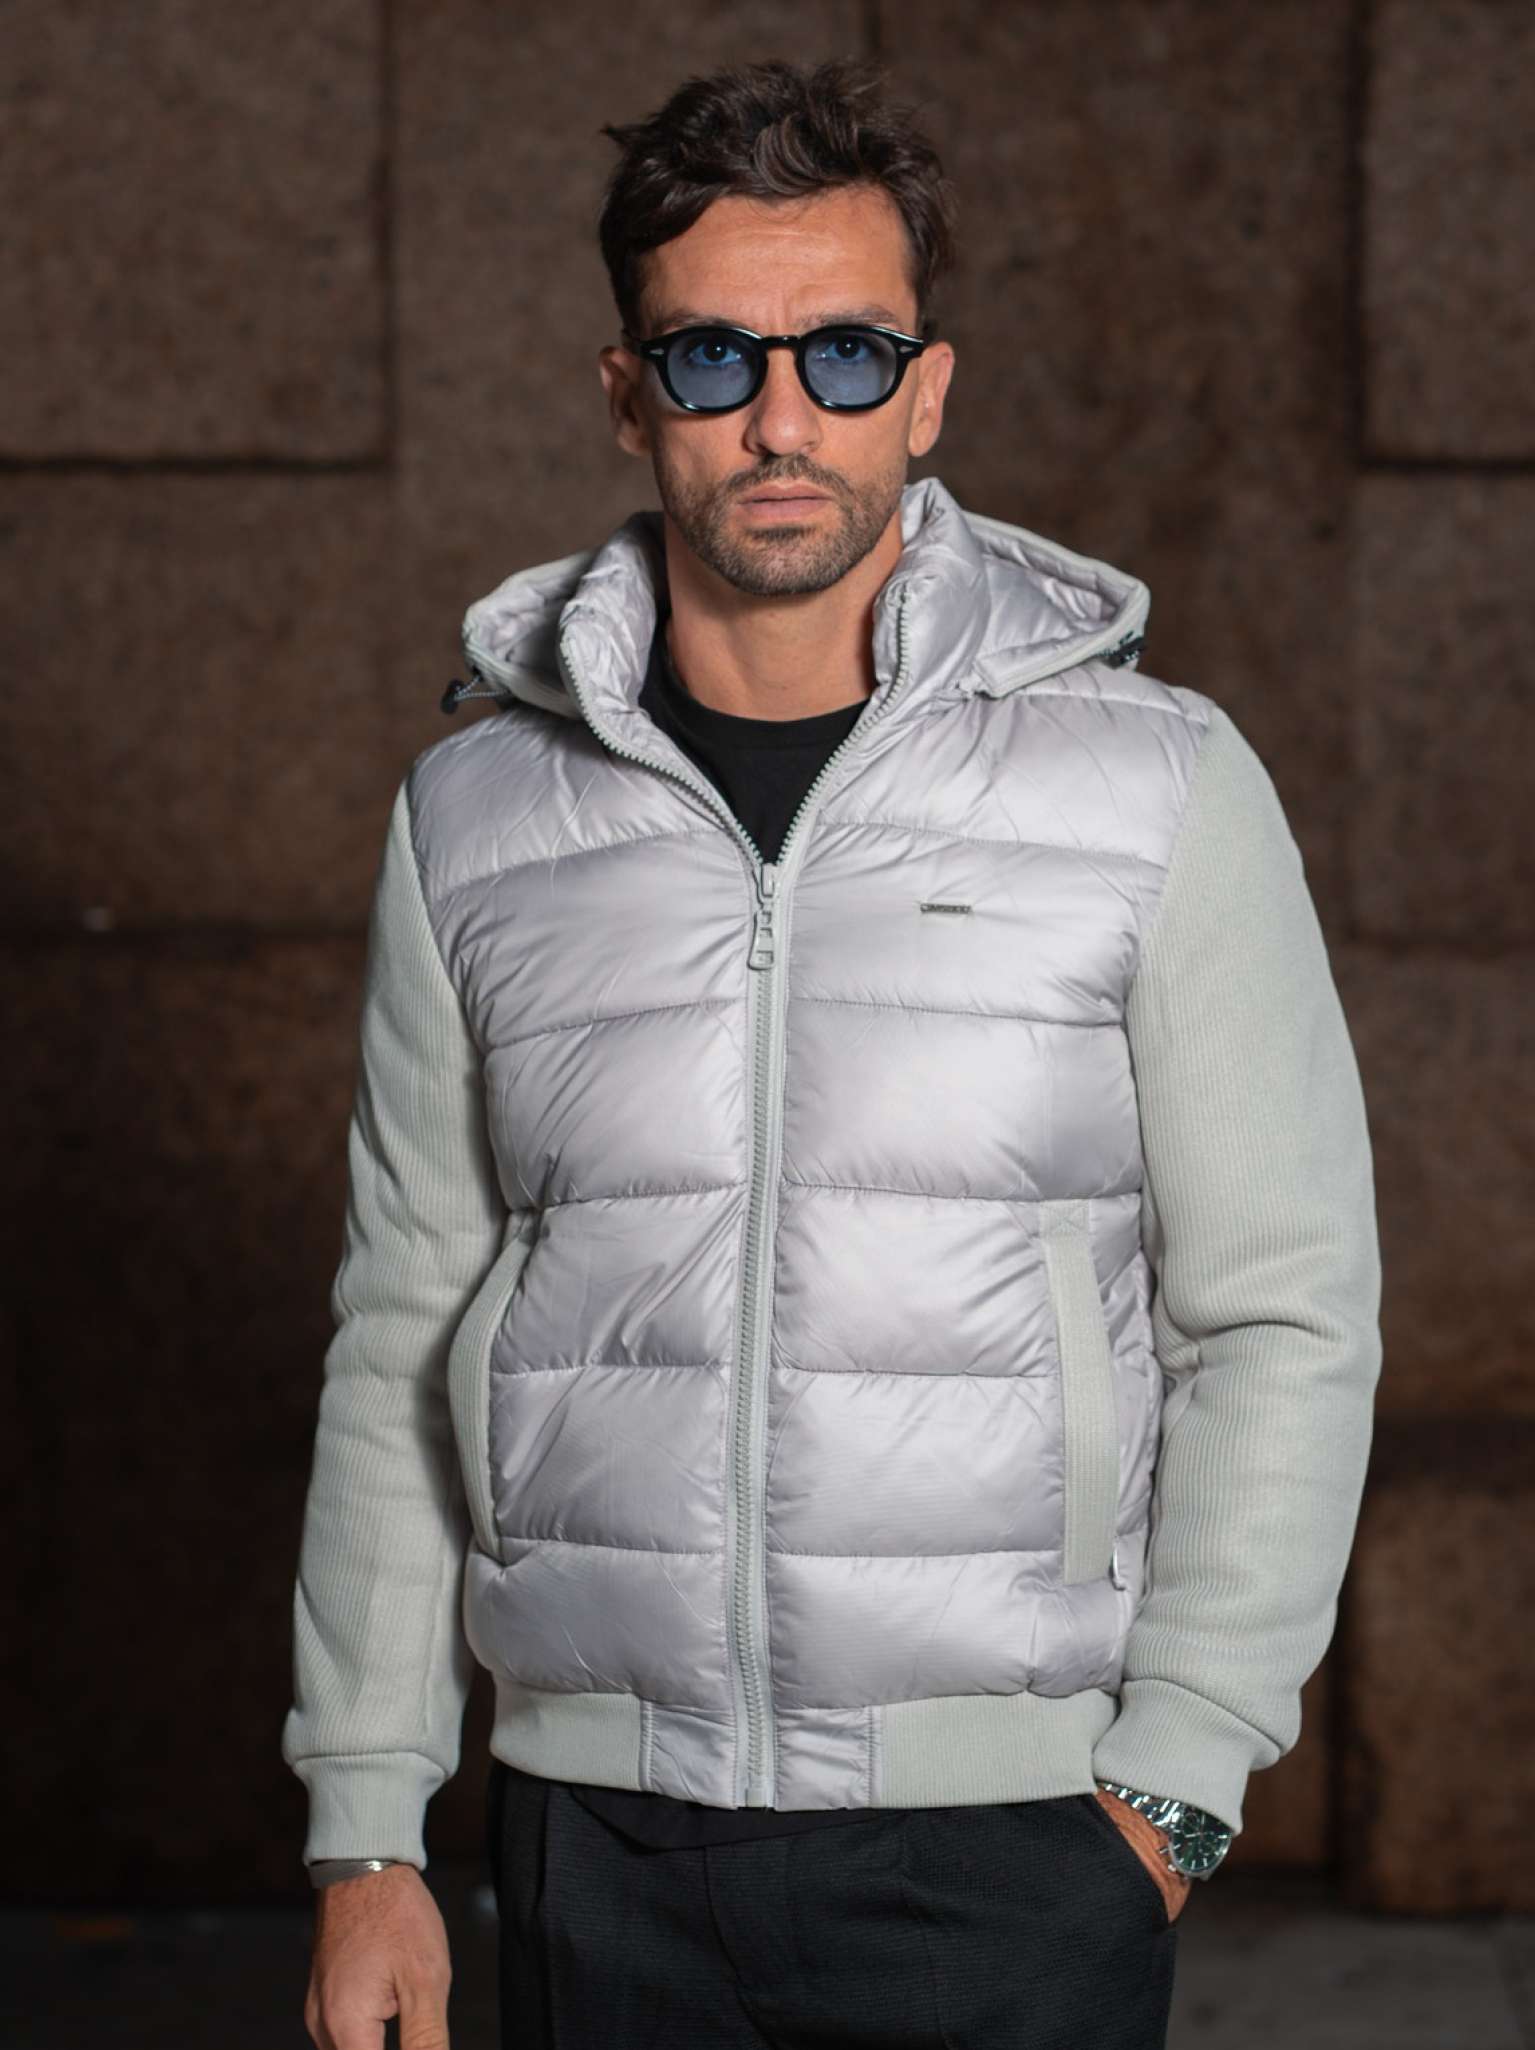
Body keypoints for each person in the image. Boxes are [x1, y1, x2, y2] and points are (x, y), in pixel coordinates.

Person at [282, 55, 1382, 2050]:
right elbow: (403, 1326)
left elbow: (1283, 1311)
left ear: (927, 391)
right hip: (599, 1832)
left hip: (1024, 1840)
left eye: (846, 356)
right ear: (627, 394)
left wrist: (1175, 1782)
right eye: (712, 357)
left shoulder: (1156, 790)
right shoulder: (476, 819)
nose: (781, 420)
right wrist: (367, 1826)